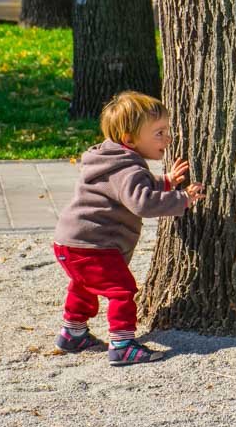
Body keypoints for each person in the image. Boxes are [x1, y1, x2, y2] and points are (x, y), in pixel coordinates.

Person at [52, 91, 206, 366]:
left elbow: (129, 187)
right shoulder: (129, 168)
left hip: (70, 243)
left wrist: (166, 181)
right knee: (122, 289)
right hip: (94, 246)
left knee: (83, 285)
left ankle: (73, 333)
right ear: (129, 139)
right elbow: (142, 201)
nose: (168, 139)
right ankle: (122, 344)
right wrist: (183, 199)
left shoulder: (108, 159)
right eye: (159, 133)